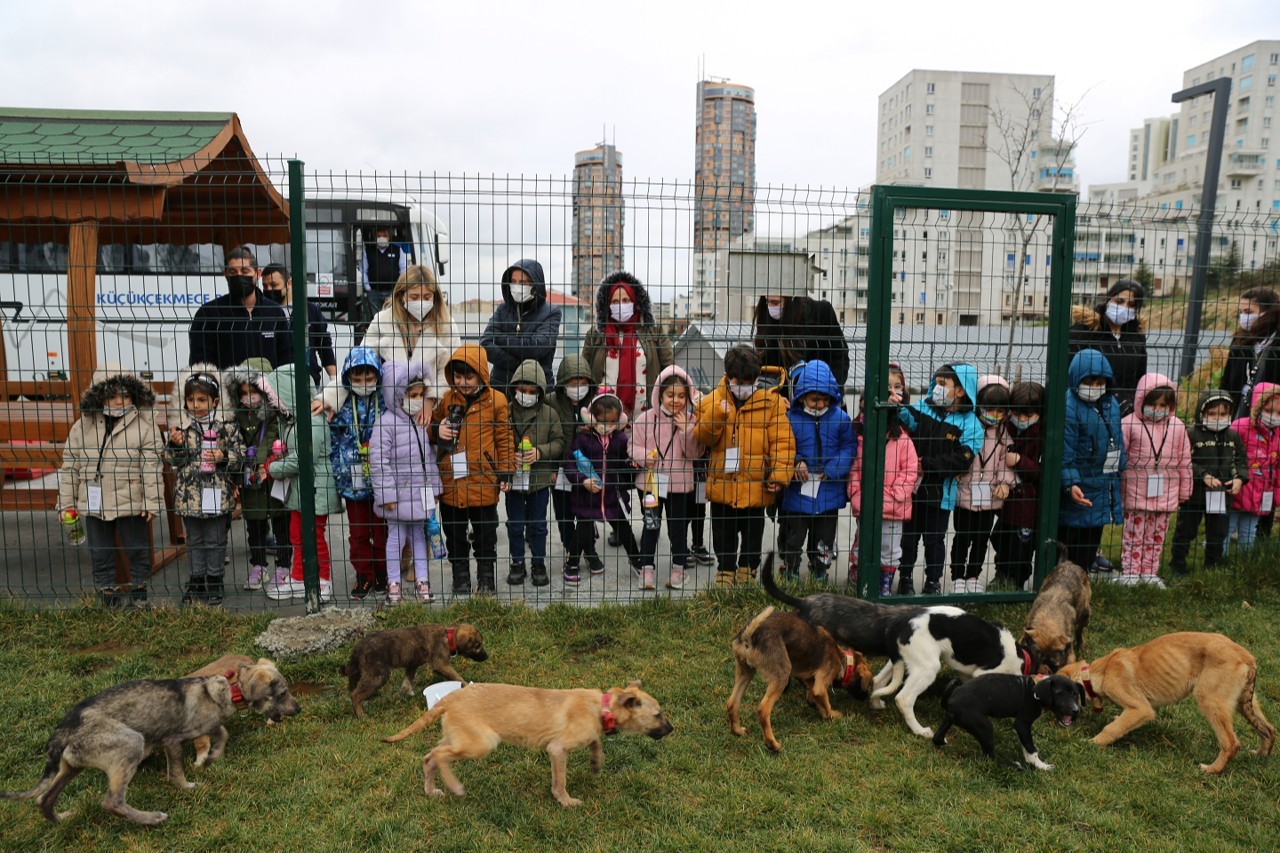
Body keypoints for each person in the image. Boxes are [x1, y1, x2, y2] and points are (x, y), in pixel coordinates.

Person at [58, 368, 164, 607]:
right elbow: (70, 466)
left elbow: (152, 466)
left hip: (132, 498)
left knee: (137, 547)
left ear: (134, 397)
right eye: (112, 395)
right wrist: (66, 502)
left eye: (125, 396)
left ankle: (139, 592)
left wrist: (152, 500)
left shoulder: (144, 426)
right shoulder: (82, 427)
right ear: (99, 397)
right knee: (100, 550)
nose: (119, 401)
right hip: (94, 499)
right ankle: (107, 592)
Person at [694, 344, 796, 589]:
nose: (743, 387)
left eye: (749, 382)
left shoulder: (772, 403)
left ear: (757, 379)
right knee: (722, 530)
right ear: (728, 377)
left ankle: (748, 568)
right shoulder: (713, 401)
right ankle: (725, 569)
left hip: (755, 483)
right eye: (737, 381)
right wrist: (718, 415)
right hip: (723, 483)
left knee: (753, 531)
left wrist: (779, 474)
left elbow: (783, 441)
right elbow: (702, 437)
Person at [432, 343, 515, 595]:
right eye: (457, 376)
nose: (463, 382)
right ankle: (460, 576)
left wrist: (506, 470)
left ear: (481, 373)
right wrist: (438, 431)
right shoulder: (447, 399)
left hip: (483, 478)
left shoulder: (497, 400)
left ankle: (486, 578)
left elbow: (504, 438)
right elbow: (431, 427)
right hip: (452, 481)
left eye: (469, 376)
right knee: (454, 533)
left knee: (485, 534)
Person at [897, 363, 983, 595]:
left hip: (941, 493)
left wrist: (925, 465)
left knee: (934, 541)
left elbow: (961, 460)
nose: (937, 388)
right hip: (913, 490)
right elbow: (908, 418)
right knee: (908, 537)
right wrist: (896, 405)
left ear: (961, 390)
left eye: (944, 384)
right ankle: (905, 577)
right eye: (937, 383)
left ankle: (932, 581)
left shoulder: (972, 425)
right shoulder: (925, 408)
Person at [167, 366, 245, 606]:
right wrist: (175, 446)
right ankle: (197, 579)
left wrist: (223, 457)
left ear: (216, 401)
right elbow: (173, 461)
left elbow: (240, 455)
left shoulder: (227, 427)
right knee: (195, 540)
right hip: (189, 496)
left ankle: (215, 579)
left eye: (202, 399)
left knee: (215, 538)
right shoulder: (182, 429)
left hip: (217, 494)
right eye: (190, 400)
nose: (196, 405)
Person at [263, 364, 340, 603]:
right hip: (301, 490)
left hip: (316, 490)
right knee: (297, 534)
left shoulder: (312, 422)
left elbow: (304, 458)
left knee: (314, 535)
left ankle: (323, 579)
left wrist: (274, 468)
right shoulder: (293, 421)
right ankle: (299, 576)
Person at [371, 361, 443, 604]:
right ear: (397, 395)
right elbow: (378, 462)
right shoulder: (385, 424)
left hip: (420, 494)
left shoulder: (420, 421)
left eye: (421, 395)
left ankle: (423, 581)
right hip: (398, 497)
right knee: (396, 539)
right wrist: (386, 495)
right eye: (413, 395)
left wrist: (434, 489)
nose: (418, 400)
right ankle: (394, 584)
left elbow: (429, 459)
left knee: (419, 538)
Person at [629, 365, 705, 590]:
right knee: (650, 525)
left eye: (682, 395)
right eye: (671, 395)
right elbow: (632, 446)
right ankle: (647, 571)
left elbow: (695, 453)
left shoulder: (691, 420)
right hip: (651, 485)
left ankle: (678, 571)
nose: (676, 400)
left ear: (689, 396)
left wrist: (686, 430)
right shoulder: (644, 419)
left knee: (678, 528)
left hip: (680, 486)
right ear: (659, 394)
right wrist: (645, 457)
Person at [339, 264, 458, 408]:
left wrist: (431, 399)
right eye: (414, 297)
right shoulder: (382, 320)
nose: (421, 302)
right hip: (389, 408)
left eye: (427, 297)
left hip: (430, 410)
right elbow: (360, 362)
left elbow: (450, 372)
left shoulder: (446, 325)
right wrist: (330, 398)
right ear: (401, 296)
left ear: (436, 297)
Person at [780, 360, 856, 583]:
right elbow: (784, 445)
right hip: (798, 490)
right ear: (802, 396)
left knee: (824, 537)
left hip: (829, 490)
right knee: (795, 535)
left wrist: (832, 470)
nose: (820, 403)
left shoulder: (841, 419)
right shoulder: (791, 418)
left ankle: (820, 569)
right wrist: (796, 462)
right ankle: (791, 567)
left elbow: (849, 446)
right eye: (815, 399)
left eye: (825, 398)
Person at [848, 369, 919, 597]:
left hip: (893, 508)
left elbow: (909, 473)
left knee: (890, 548)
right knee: (863, 543)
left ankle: (885, 581)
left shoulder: (904, 442)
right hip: (867, 506)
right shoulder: (862, 441)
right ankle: (860, 576)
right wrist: (859, 496)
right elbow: (855, 472)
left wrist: (892, 495)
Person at [223, 359, 292, 593]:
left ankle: (284, 565)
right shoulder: (238, 415)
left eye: (254, 391)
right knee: (255, 524)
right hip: (250, 475)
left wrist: (262, 460)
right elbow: (235, 439)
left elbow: (275, 433)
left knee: (281, 522)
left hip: (273, 474)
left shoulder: (277, 412)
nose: (249, 396)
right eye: (243, 392)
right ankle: (258, 564)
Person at [1118, 373, 1193, 587]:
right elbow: (1121, 458)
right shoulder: (1128, 424)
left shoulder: (1177, 426)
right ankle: (1131, 572)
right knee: (1134, 535)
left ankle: (1150, 572)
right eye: (1153, 403)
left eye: (1163, 405)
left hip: (1166, 492)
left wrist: (1185, 490)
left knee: (1157, 536)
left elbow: (1185, 459)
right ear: (1142, 400)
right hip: (1135, 491)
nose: (1158, 409)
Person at [1058, 349, 1127, 572]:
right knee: (1072, 546)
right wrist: (1070, 483)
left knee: (1091, 543)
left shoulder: (1111, 405)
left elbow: (1117, 438)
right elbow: (1065, 452)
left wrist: (1120, 467)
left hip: (1103, 483)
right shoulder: (1068, 407)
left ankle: (1082, 581)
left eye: (1100, 381)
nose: (1096, 386)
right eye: (1089, 380)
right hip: (1080, 484)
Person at [329, 347, 389, 599]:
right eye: (357, 379)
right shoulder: (341, 405)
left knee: (381, 530)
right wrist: (338, 467)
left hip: (380, 479)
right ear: (347, 378)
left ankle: (383, 572)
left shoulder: (384, 402)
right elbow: (333, 439)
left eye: (369, 378)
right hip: (352, 480)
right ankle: (364, 574)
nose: (363, 384)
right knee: (359, 532)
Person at [950, 376, 1017, 594]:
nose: (995, 416)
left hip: (989, 496)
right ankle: (957, 576)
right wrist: (957, 470)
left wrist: (1005, 483)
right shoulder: (967, 425)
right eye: (990, 409)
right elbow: (956, 451)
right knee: (962, 537)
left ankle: (973, 575)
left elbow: (1005, 462)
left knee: (981, 539)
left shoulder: (1003, 434)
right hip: (964, 493)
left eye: (1001, 411)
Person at [566, 392, 642, 582]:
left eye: (612, 422)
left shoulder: (622, 439)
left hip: (613, 496)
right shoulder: (582, 439)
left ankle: (637, 561)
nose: (606, 426)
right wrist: (582, 480)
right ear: (591, 418)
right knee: (582, 531)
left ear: (620, 420)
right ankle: (572, 562)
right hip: (587, 495)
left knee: (624, 529)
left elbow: (628, 467)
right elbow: (570, 463)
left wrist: (631, 466)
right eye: (601, 421)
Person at [1169, 390, 1247, 577]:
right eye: (1211, 414)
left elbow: (1240, 461)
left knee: (1218, 532)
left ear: (1230, 415)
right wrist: (1202, 475)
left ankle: (1213, 564)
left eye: (1222, 414)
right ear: (1202, 414)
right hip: (1195, 494)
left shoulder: (1233, 436)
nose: (1217, 418)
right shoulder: (1191, 434)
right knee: (1186, 530)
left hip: (1222, 494)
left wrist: (1240, 478)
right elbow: (1185, 460)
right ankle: (1178, 563)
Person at [505, 358, 565, 588]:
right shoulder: (507, 412)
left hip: (539, 481)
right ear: (514, 389)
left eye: (532, 391)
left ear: (540, 392)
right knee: (515, 524)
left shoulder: (549, 414)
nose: (526, 395)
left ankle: (538, 563)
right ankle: (517, 562)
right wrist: (510, 456)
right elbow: (498, 440)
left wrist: (541, 452)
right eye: (522, 390)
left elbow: (559, 441)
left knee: (539, 525)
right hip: (514, 481)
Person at [581, 272, 674, 420]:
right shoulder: (596, 334)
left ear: (635, 302)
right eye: (615, 301)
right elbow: (583, 370)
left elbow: (669, 368)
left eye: (626, 300)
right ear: (607, 305)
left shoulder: (653, 331)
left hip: (646, 417)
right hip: (605, 419)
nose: (621, 305)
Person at [188, 246, 294, 369]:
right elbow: (200, 363)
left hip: (268, 387)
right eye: (233, 272)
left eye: (245, 271)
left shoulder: (275, 312)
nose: (239, 276)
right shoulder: (208, 313)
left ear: (258, 273)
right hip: (226, 387)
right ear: (226, 275)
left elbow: (287, 358)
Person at [991, 381, 1046, 590]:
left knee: (1021, 546)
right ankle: (1001, 574)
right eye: (1017, 413)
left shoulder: (1042, 434)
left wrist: (1020, 461)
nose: (1022, 420)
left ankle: (1017, 581)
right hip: (1005, 501)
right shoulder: (1006, 427)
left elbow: (1042, 470)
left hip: (1027, 503)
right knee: (1000, 539)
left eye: (1028, 415)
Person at [546, 354, 597, 579]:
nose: (578, 388)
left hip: (588, 471)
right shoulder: (551, 402)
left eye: (583, 383)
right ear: (563, 383)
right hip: (560, 470)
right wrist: (550, 468)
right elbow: (546, 434)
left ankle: (590, 550)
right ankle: (571, 551)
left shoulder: (596, 401)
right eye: (573, 383)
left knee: (587, 513)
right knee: (564, 514)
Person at [480, 259, 562, 398]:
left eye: (523, 282)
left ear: (535, 285)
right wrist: (521, 363)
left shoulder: (551, 312)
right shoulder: (502, 309)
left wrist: (500, 338)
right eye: (513, 281)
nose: (517, 287)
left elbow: (537, 349)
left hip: (536, 389)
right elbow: (486, 344)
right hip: (501, 388)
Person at [1068, 280, 1147, 413]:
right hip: (1087, 407)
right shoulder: (1083, 331)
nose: (1125, 307)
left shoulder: (1136, 337)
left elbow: (1139, 377)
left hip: (1126, 410)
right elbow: (1069, 373)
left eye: (1132, 304)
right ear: (1108, 300)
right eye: (1119, 301)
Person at [261, 262, 337, 388]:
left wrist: (334, 381)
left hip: (309, 382)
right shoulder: (262, 312)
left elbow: (324, 345)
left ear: (289, 283)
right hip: (274, 384)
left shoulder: (310, 310)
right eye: (265, 286)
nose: (269, 289)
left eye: (274, 285)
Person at [752, 294, 850, 391]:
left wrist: (829, 391)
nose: (770, 308)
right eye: (767, 301)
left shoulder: (820, 313)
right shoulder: (766, 319)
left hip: (819, 394)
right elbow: (766, 367)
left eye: (775, 302)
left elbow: (840, 357)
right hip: (781, 397)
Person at [1227, 382, 1280, 556]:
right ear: (1258, 406)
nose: (1273, 417)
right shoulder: (1241, 426)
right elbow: (1227, 452)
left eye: (1278, 413)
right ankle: (1218, 559)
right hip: (1237, 488)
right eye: (1269, 411)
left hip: (1261, 492)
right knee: (1227, 527)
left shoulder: (1277, 436)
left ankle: (1244, 562)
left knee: (1249, 530)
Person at [1222, 287, 1280, 418]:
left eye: (1248, 312)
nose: (1243, 317)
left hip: (1272, 410)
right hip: (1239, 407)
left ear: (1268, 312)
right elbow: (1228, 377)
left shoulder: (1276, 342)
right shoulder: (1240, 340)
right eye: (1241, 312)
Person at [363, 225, 408, 315]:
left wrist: (399, 288)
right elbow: (364, 270)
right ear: (375, 237)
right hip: (374, 292)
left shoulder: (397, 250)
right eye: (379, 236)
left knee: (391, 317)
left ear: (389, 237)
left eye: (384, 236)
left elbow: (404, 270)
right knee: (376, 318)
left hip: (392, 291)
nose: (381, 238)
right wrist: (367, 287)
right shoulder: (368, 251)